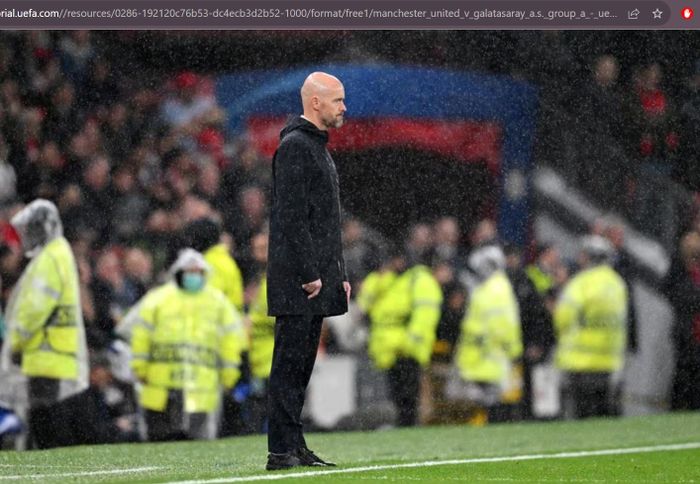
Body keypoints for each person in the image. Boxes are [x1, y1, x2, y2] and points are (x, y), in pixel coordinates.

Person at [265, 71, 350, 471]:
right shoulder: (297, 147)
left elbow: (326, 222)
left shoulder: (314, 147)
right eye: (337, 100)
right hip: (300, 281)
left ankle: (293, 444)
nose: (343, 107)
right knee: (289, 365)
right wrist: (310, 272)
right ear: (315, 102)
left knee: (300, 367)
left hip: (314, 277)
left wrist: (338, 272)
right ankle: (280, 449)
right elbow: (292, 218)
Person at [129, 249, 244, 441]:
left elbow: (231, 340)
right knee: (159, 440)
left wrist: (229, 374)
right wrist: (139, 368)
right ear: (179, 272)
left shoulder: (217, 302)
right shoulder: (158, 299)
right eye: (190, 271)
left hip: (201, 388)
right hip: (160, 387)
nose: (194, 276)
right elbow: (140, 335)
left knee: (198, 444)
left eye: (198, 272)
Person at [0, 199, 89, 449]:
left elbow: (35, 308)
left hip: (45, 352)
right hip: (57, 353)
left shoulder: (49, 257)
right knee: (51, 418)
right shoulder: (60, 252)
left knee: (46, 421)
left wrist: (16, 341)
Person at [553, 236, 628, 419]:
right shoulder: (617, 284)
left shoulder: (581, 283)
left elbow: (562, 319)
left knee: (583, 417)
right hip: (609, 362)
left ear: (589, 257)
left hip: (580, 362)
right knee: (605, 416)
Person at [366, 248, 442, 427]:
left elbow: (425, 314)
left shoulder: (418, 279)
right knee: (399, 395)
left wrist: (411, 342)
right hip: (392, 349)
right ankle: (405, 425)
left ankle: (409, 425)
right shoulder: (395, 280)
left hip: (407, 348)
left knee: (408, 395)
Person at [454, 245, 523, 423]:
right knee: (487, 405)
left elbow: (504, 325)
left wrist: (511, 351)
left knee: (493, 406)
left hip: (489, 357)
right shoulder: (491, 288)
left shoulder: (495, 290)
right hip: (483, 357)